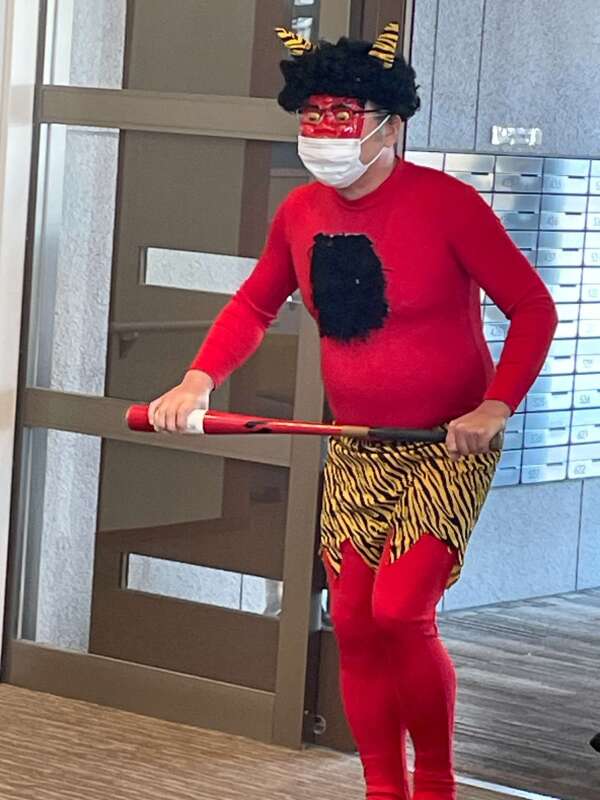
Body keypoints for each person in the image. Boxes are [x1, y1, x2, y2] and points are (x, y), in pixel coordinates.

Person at [149, 22, 558, 800]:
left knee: (401, 611)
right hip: (357, 444)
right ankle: (381, 787)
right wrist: (197, 381)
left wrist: (496, 405)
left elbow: (533, 308)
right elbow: (254, 303)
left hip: (447, 446)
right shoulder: (300, 211)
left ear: (391, 125)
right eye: (314, 115)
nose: (325, 131)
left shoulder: (449, 204)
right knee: (357, 622)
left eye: (343, 115)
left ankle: (434, 781)